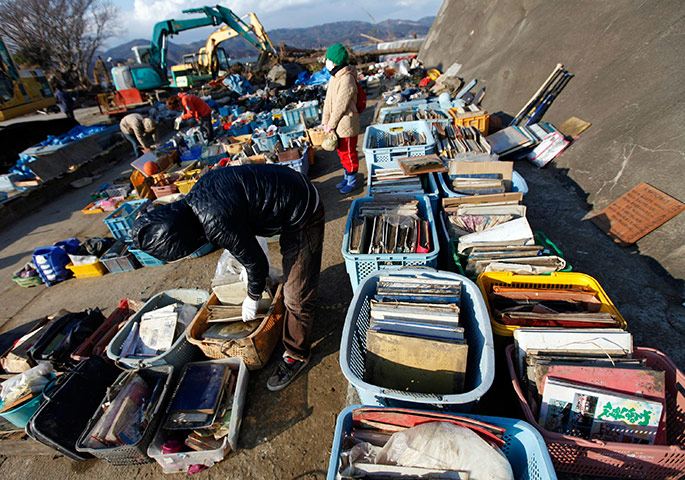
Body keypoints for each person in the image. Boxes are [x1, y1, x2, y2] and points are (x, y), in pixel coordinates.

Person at [132, 164, 325, 392]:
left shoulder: (214, 222)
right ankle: (298, 308)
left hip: (303, 209)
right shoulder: (196, 196)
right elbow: (240, 224)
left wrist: (253, 297)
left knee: (296, 297)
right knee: (292, 276)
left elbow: (257, 263)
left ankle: (296, 354)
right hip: (287, 191)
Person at [321, 43, 360, 194]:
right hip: (336, 124)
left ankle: (352, 180)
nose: (326, 62)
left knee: (348, 153)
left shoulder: (346, 79)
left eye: (328, 59)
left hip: (346, 123)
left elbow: (340, 106)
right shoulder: (334, 77)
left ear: (335, 61)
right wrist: (326, 122)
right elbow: (328, 102)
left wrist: (331, 124)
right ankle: (347, 177)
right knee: (341, 153)